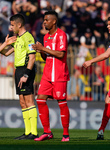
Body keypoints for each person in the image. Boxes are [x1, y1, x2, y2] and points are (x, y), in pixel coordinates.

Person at [32, 11, 70, 142]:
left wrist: (43, 48)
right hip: (47, 74)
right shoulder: (46, 37)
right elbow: (45, 56)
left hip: (59, 74)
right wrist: (40, 50)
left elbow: (60, 54)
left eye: (47, 20)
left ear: (54, 21)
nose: (44, 22)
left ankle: (65, 134)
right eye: (44, 20)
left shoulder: (61, 35)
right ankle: (47, 132)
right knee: (40, 99)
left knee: (61, 102)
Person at [0, 13, 38, 140]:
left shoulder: (28, 37)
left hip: (26, 69)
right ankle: (27, 132)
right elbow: (5, 54)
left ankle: (34, 132)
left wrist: (26, 75)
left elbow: (32, 58)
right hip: (19, 70)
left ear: (19, 24)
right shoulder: (16, 38)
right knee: (22, 102)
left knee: (29, 101)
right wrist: (5, 44)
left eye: (12, 25)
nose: (11, 28)